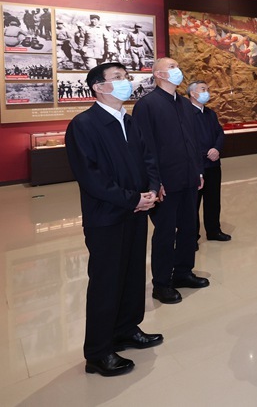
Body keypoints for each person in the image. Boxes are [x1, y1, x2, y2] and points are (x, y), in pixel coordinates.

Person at [65, 62, 163, 377]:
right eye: (117, 78)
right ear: (98, 87)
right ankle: (98, 352)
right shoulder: (84, 125)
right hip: (106, 216)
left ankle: (126, 329)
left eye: (126, 77)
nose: (125, 82)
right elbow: (91, 176)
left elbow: (148, 158)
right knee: (106, 282)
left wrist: (151, 189)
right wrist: (131, 199)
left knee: (133, 275)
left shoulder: (129, 121)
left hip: (136, 211)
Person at [132, 57, 208, 304]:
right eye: (172, 67)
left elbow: (193, 141)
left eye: (177, 66)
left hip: (188, 177)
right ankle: (162, 283)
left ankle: (183, 272)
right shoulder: (147, 105)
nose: (178, 70)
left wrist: (198, 171)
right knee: (165, 233)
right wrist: (155, 183)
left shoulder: (184, 104)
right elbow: (145, 148)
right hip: (165, 182)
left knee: (189, 228)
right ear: (159, 74)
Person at [188, 80, 231, 243]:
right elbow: (187, 140)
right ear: (193, 93)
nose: (207, 92)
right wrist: (206, 152)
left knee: (213, 200)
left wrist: (217, 149)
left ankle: (213, 231)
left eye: (207, 89)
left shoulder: (210, 113)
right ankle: (192, 236)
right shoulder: (186, 114)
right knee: (193, 203)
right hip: (195, 166)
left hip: (213, 164)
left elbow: (220, 133)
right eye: (203, 89)